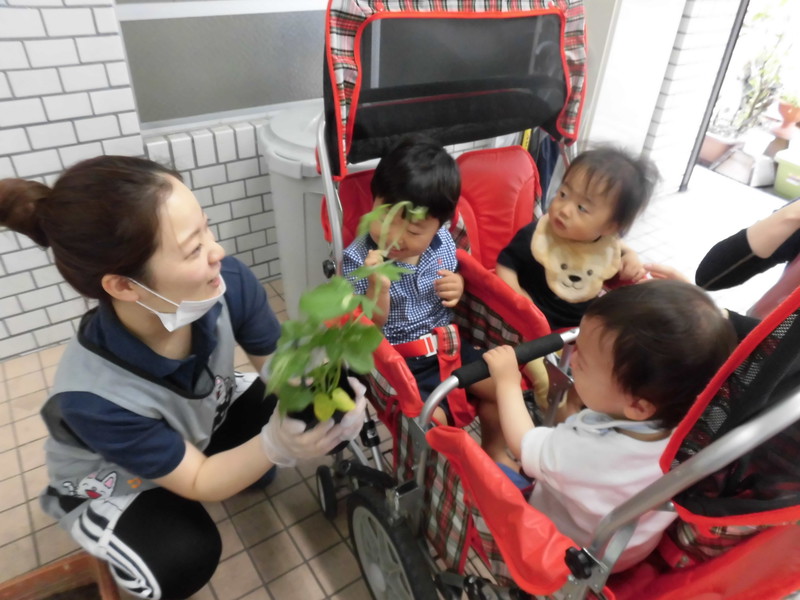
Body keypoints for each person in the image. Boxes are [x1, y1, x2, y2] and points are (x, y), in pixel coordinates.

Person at [0, 156, 365, 600]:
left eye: (206, 228)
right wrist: (275, 446)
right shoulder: (94, 397)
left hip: (198, 422)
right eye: (194, 248)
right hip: (119, 477)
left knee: (315, 402)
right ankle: (125, 530)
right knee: (181, 558)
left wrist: (325, 380)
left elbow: (279, 365)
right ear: (124, 286)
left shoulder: (224, 282)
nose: (218, 251)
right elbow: (197, 482)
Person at [483, 280, 737, 572]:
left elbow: (523, 443)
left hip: (566, 547)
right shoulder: (695, 428)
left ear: (639, 406)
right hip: (626, 547)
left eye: (584, 361)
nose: (573, 358)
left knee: (490, 471)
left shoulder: (591, 454)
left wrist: (507, 383)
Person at [342, 135, 508, 463]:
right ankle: (452, 475)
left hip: (449, 346)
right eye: (386, 219)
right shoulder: (357, 259)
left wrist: (458, 285)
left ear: (438, 227)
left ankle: (496, 455)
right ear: (373, 202)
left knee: (503, 389)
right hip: (402, 363)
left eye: (414, 231)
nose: (395, 237)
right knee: (435, 427)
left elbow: (459, 278)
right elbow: (368, 329)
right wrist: (378, 287)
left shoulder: (444, 243)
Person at [495, 147, 658, 413]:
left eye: (582, 207)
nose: (564, 209)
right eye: (563, 194)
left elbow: (617, 250)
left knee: (596, 380)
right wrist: (519, 301)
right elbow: (504, 265)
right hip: (530, 331)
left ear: (609, 228)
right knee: (547, 381)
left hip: (581, 332)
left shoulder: (606, 246)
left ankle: (576, 412)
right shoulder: (537, 236)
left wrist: (632, 258)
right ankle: (548, 421)